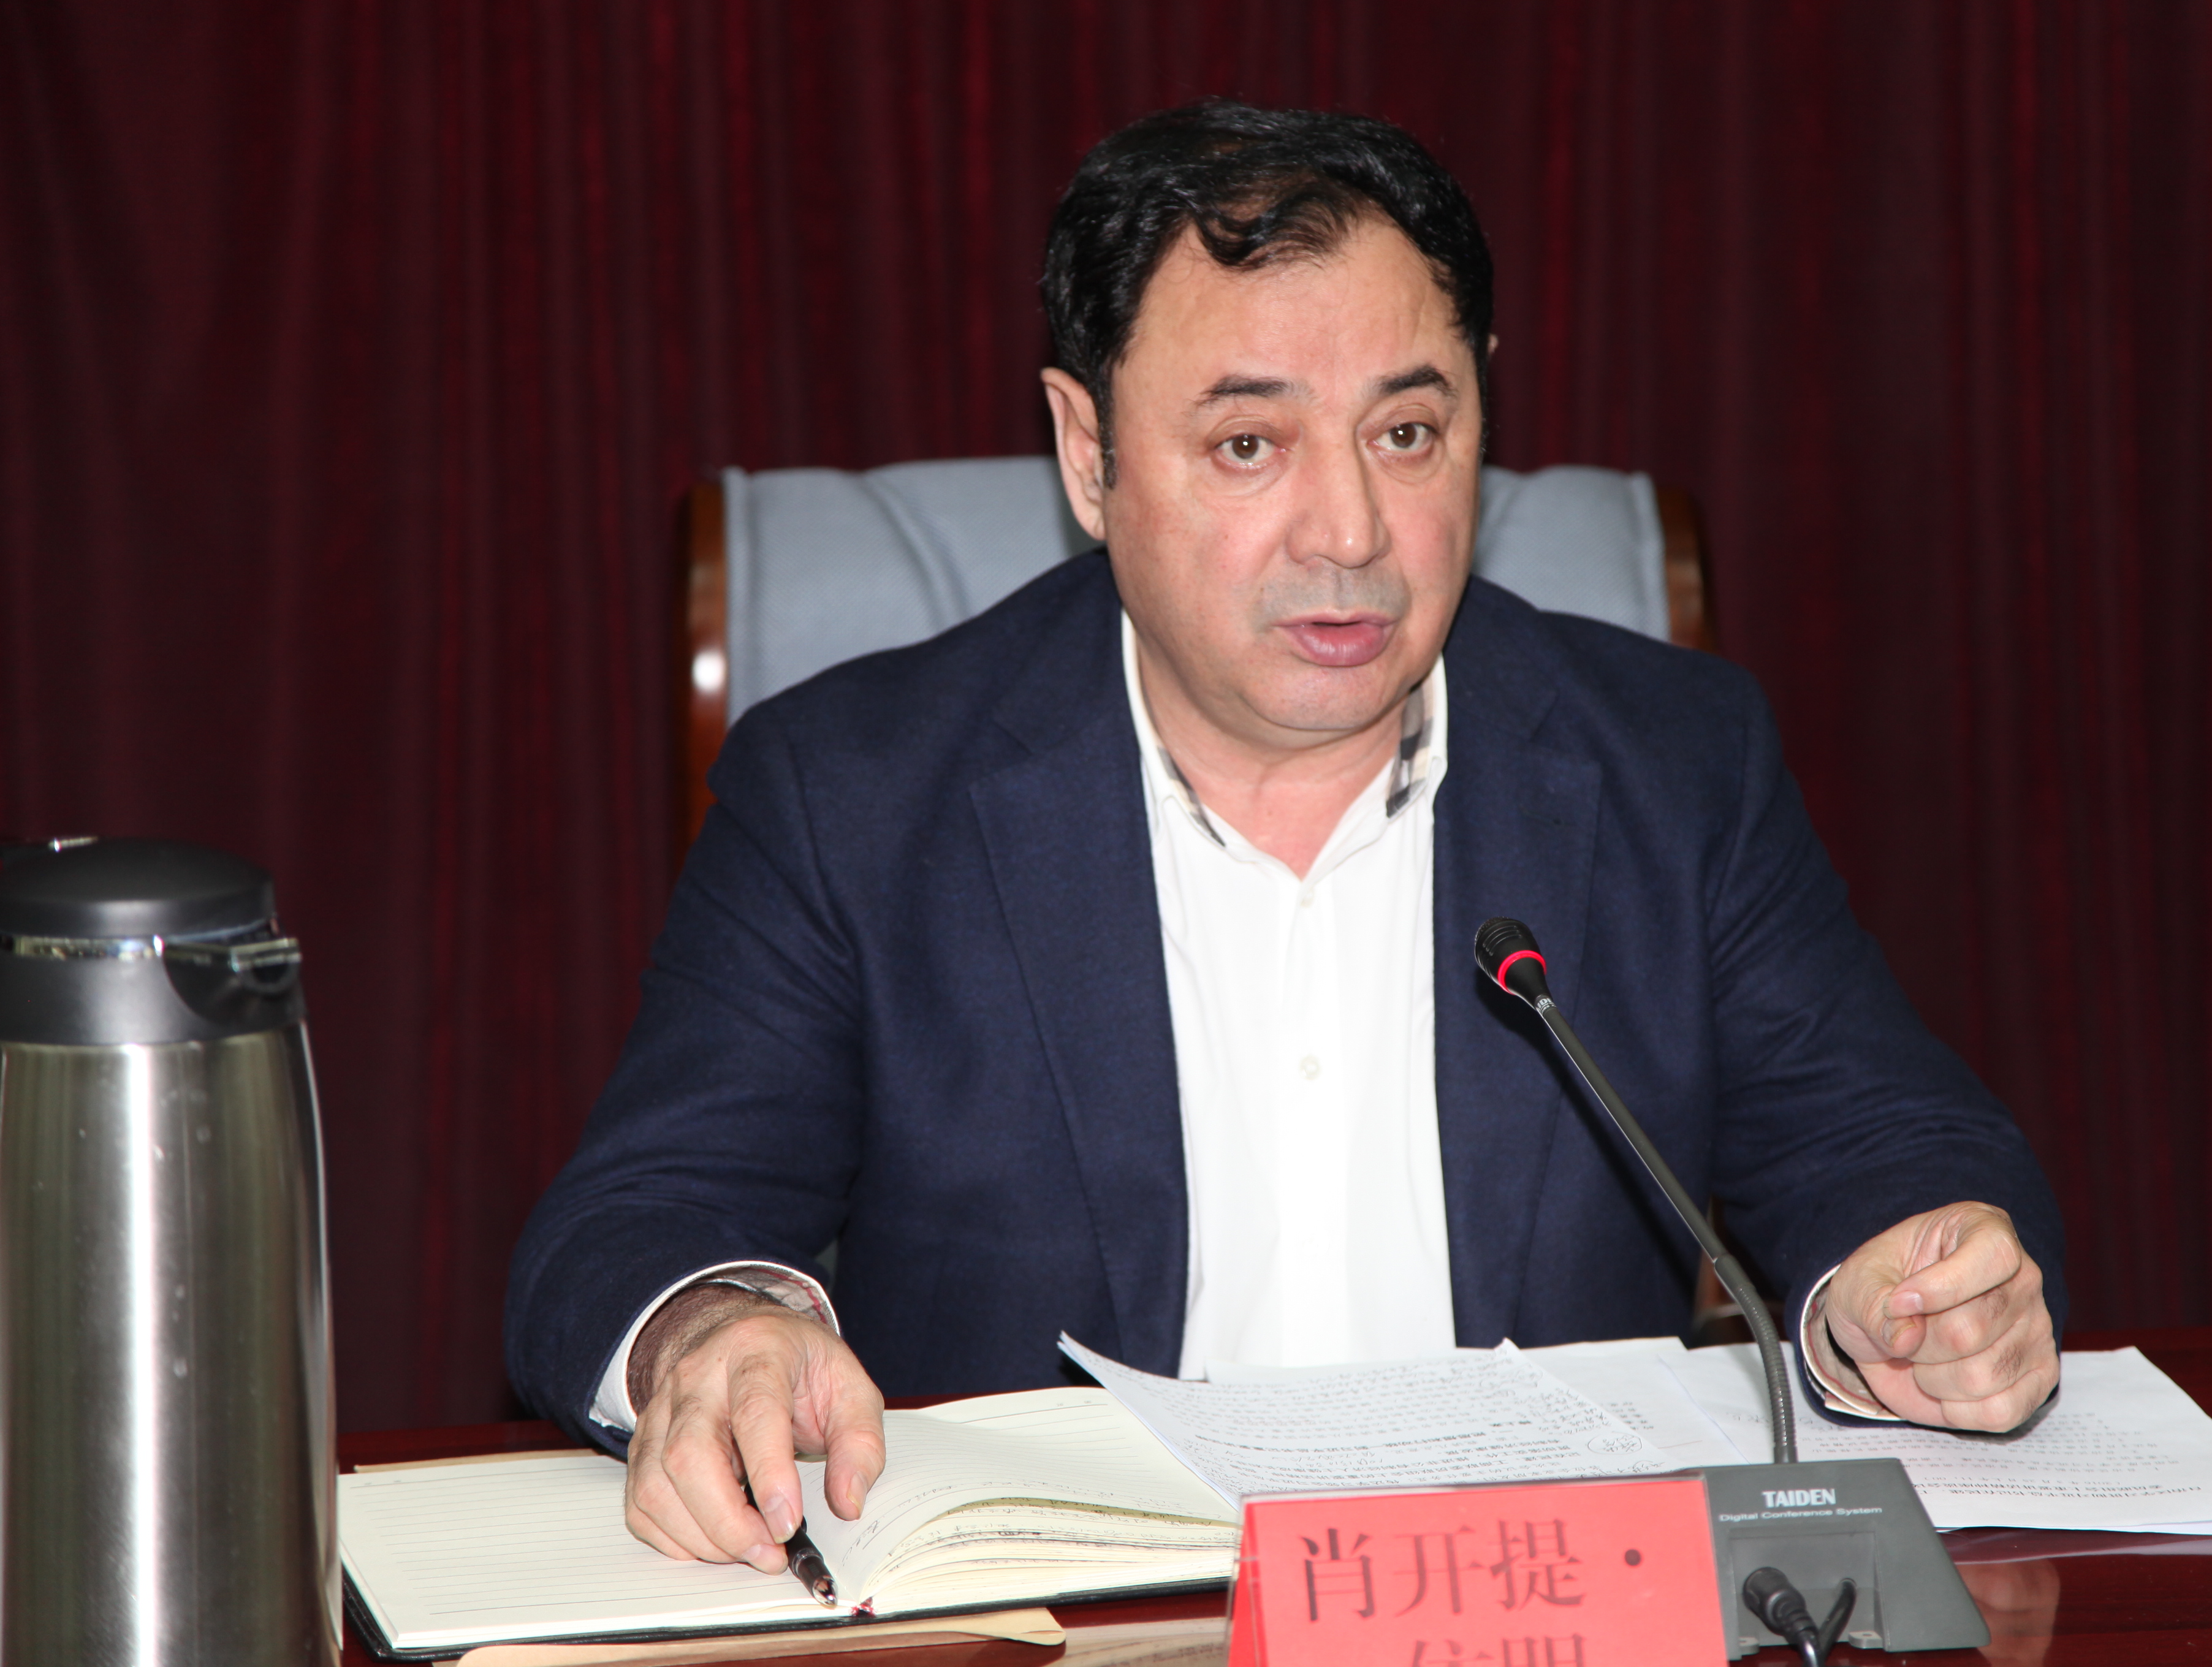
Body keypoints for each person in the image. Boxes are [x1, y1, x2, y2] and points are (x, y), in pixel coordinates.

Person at [506, 100, 2066, 1578]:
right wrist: (715, 1330)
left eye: (1408, 433)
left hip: (1541, 1606)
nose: (1351, 533)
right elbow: (640, 1220)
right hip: (1077, 1626)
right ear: (1089, 453)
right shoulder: (854, 794)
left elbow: (1890, 1147)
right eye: (1250, 444)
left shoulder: (1670, 763)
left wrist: (1917, 1287)